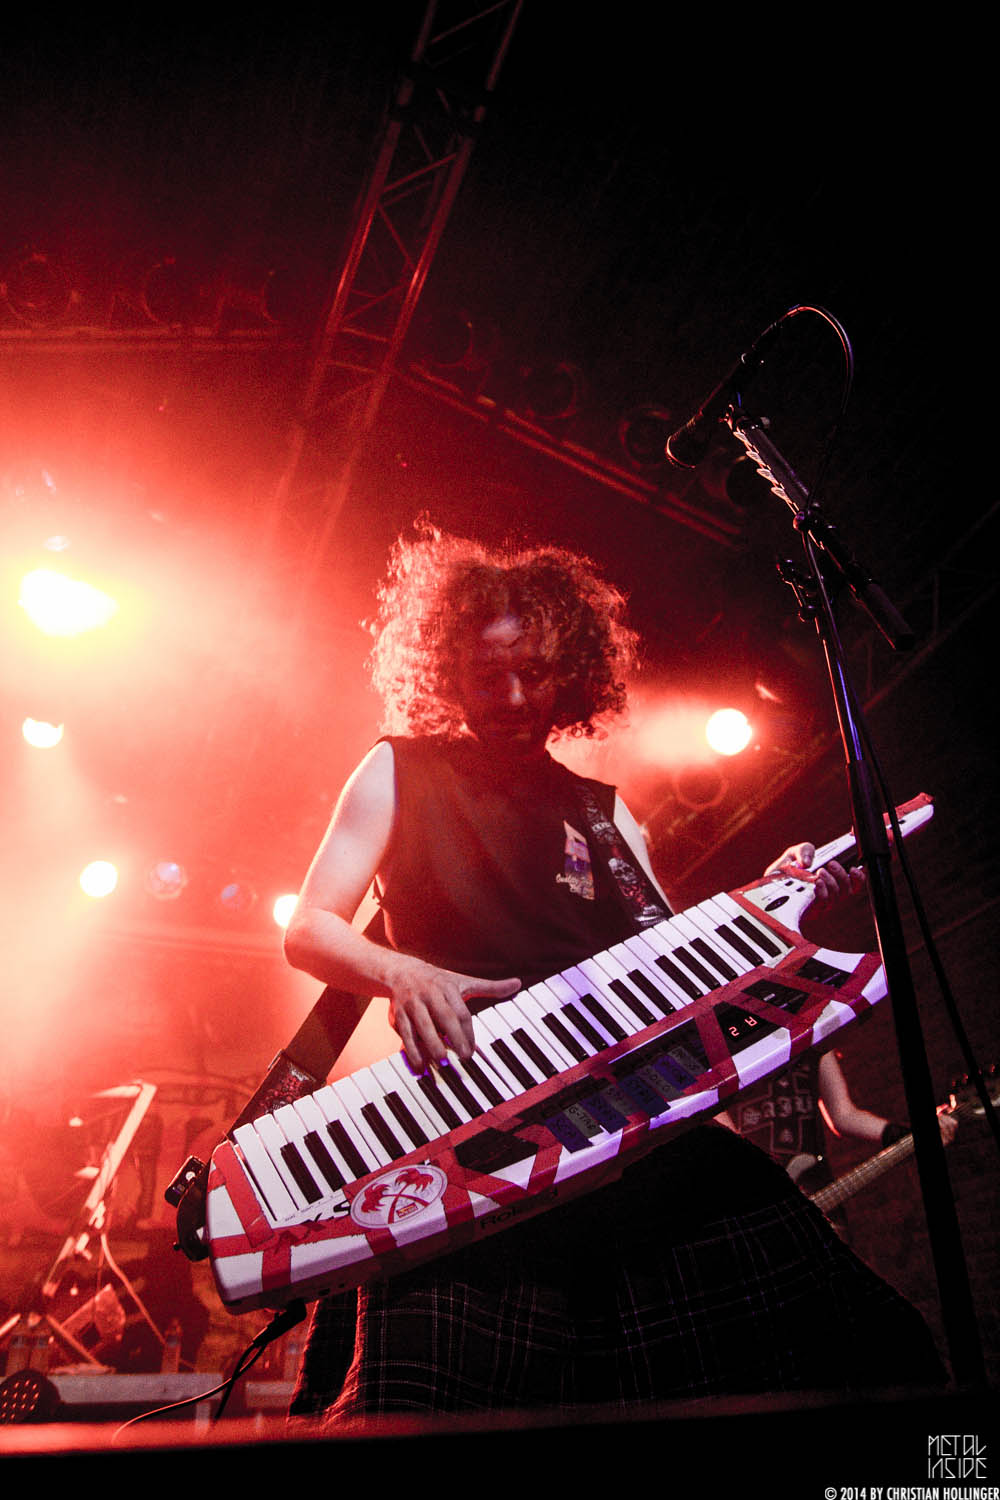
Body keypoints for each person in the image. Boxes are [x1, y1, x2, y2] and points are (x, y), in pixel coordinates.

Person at [284, 524, 945, 1419]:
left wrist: (778, 901)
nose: (512, 697)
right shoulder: (399, 767)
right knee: (426, 1405)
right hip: (468, 1117)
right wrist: (403, 973)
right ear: (450, 672)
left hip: (626, 1113)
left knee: (864, 1350)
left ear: (569, 672)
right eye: (487, 675)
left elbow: (675, 960)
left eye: (533, 673)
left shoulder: (604, 812)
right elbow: (309, 927)